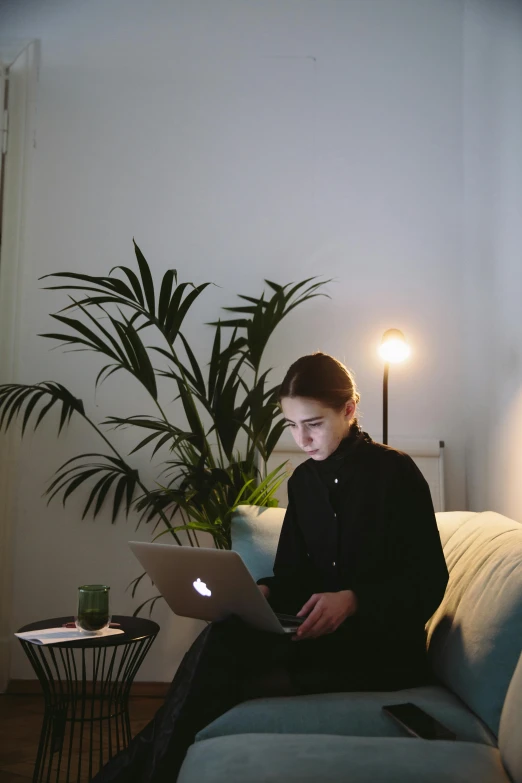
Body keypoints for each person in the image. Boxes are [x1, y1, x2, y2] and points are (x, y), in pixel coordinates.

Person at [93, 351, 449, 783]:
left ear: (349, 410)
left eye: (313, 424)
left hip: (381, 652)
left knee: (215, 672)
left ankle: (131, 773)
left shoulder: (396, 473)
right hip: (317, 639)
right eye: (292, 425)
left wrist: (354, 601)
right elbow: (292, 576)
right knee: (223, 636)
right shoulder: (303, 483)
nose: (302, 439)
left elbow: (429, 581)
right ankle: (145, 773)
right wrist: (259, 593)